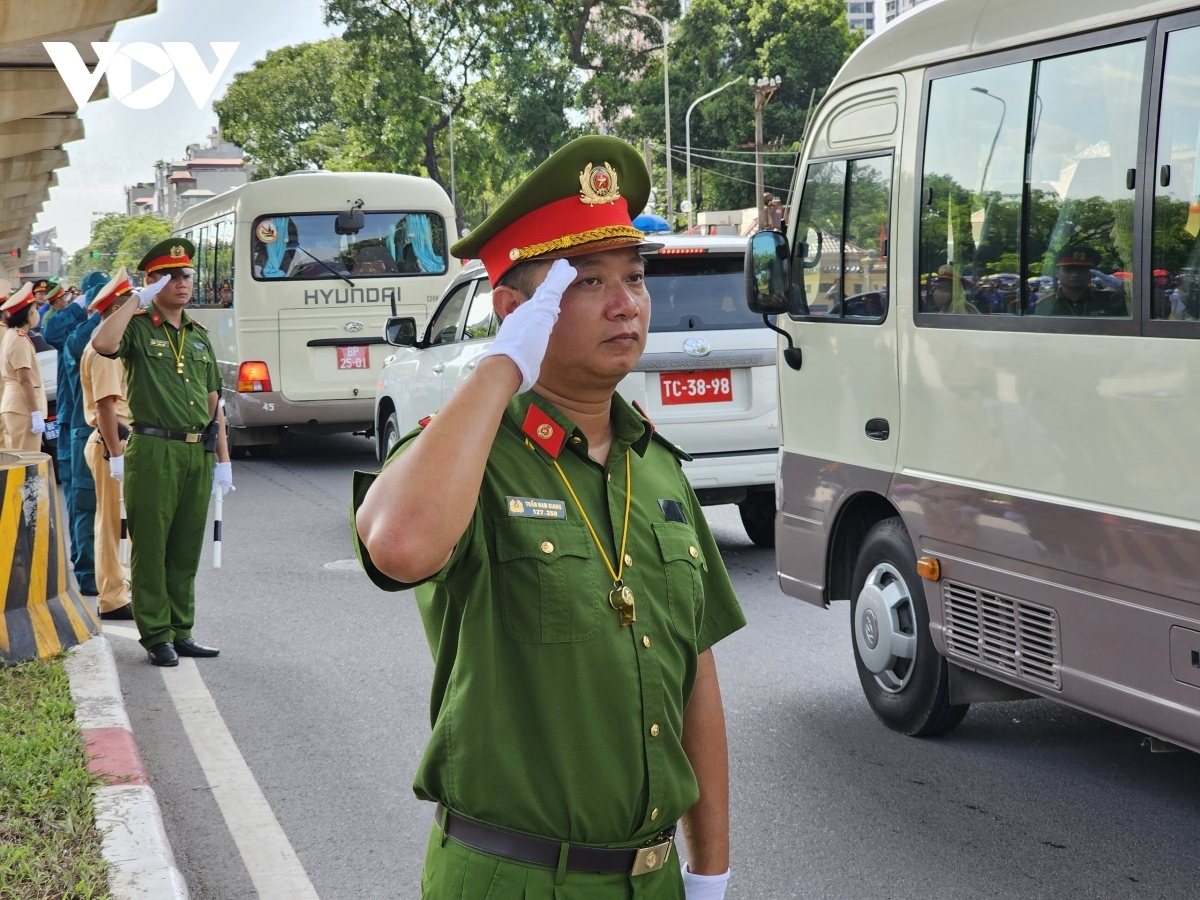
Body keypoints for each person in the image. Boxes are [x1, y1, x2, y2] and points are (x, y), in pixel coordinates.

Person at [354, 136, 745, 900]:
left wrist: (712, 873)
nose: (625, 301)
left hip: (653, 880)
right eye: (586, 281)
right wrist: (503, 365)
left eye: (633, 277)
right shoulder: (469, 455)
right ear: (514, 308)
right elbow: (399, 544)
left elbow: (696, 676)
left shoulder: (655, 466)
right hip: (515, 880)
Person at [91, 245, 233, 668]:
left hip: (197, 451)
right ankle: (155, 634)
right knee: (151, 545)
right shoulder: (136, 328)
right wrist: (137, 298)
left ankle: (180, 629)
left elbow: (214, 402)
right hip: (153, 449)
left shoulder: (200, 335)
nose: (183, 283)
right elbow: (102, 342)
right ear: (155, 283)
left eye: (186, 275)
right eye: (171, 277)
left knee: (185, 545)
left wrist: (223, 458)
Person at [44, 269, 109, 595]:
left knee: (106, 505)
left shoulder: (105, 328)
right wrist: (82, 305)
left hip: (104, 426)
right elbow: (52, 329)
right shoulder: (77, 330)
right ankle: (87, 573)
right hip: (76, 427)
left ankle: (104, 571)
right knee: (83, 504)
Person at [80, 274, 135, 619]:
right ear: (116, 309)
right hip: (111, 441)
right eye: (130, 306)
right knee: (111, 523)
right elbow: (105, 407)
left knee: (118, 523)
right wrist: (117, 455)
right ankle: (113, 598)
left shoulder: (109, 345)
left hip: (116, 439)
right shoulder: (105, 352)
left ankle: (119, 590)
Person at [0, 283, 47, 451]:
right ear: (27, 314)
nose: (36, 313)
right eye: (33, 310)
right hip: (22, 408)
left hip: (17, 406)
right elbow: (25, 380)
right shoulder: (18, 339)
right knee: (25, 465)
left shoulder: (14, 335)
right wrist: (35, 413)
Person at [1036, 246, 1128, 317]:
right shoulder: (1045, 304)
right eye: (1069, 269)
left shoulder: (1111, 300)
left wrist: (1123, 287)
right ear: (1057, 273)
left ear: (1093, 274)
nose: (1075, 274)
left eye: (1082, 270)